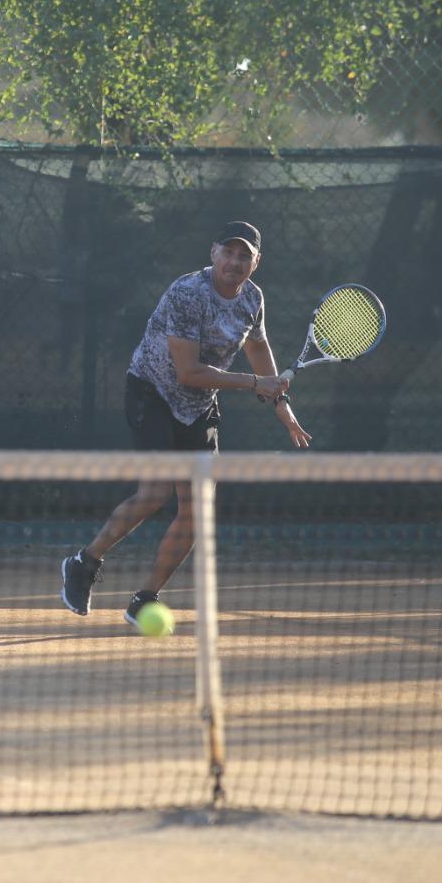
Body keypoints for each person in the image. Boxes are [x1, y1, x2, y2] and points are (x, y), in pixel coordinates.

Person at [60, 221, 311, 625]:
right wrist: (254, 384)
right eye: (228, 252)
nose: (234, 261)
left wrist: (280, 403)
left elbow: (258, 344)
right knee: (156, 491)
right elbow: (188, 372)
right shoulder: (187, 293)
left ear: (256, 263)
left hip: (199, 405)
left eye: (244, 255)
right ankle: (84, 561)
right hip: (153, 391)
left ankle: (145, 598)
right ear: (213, 253)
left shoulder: (253, 298)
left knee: (197, 509)